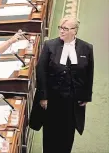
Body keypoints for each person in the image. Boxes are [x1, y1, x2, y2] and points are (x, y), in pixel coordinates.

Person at [29, 16, 94, 153]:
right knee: (50, 137)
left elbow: (89, 74)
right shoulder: (50, 46)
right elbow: (41, 72)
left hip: (72, 102)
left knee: (67, 137)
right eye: (61, 28)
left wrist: (86, 96)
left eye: (65, 28)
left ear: (74, 31)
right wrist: (43, 97)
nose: (62, 31)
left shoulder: (86, 48)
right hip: (52, 101)